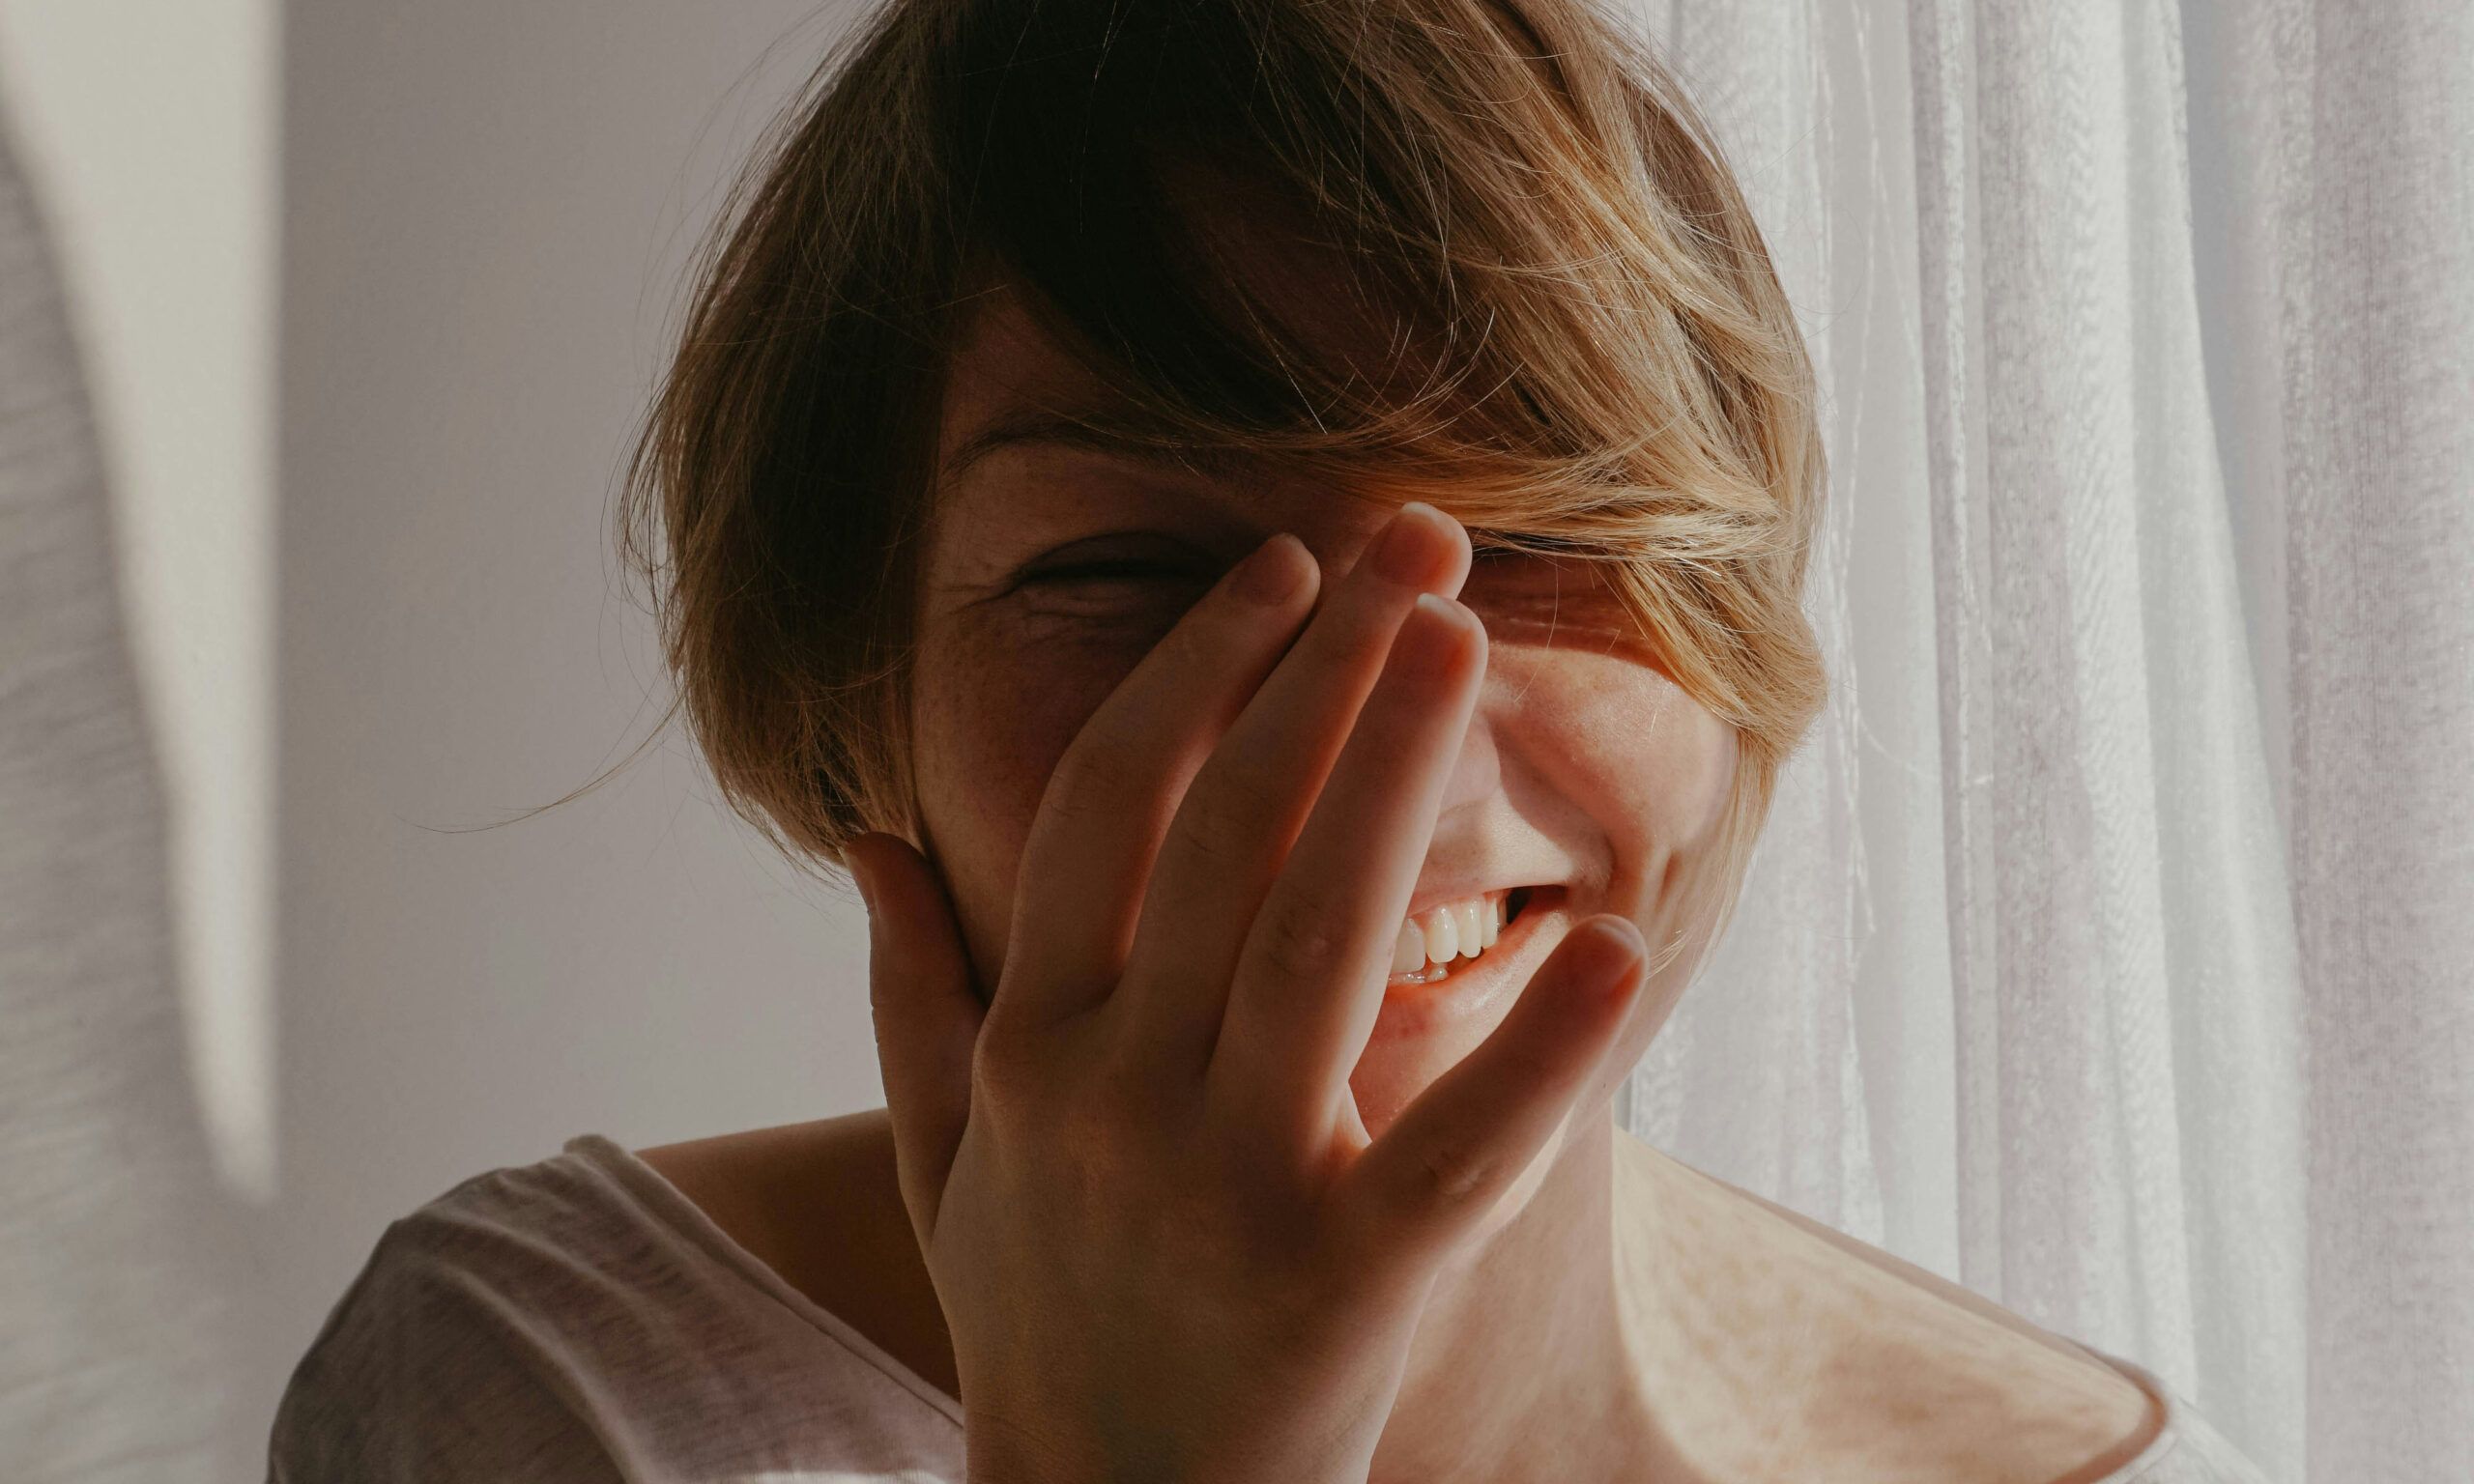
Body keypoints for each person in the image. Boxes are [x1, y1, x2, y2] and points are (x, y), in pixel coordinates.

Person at [269, 0, 2273, 1478]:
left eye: (1537, 544)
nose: (1364, 745)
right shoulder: (575, 1393)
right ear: (853, 685)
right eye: (1132, 571)